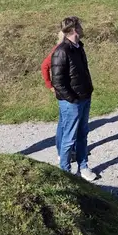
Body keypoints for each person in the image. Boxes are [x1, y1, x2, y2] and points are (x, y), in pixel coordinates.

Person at [51, 16, 97, 181]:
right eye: (81, 26)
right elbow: (58, 81)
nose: (83, 29)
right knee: (69, 138)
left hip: (84, 97)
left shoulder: (79, 47)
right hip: (72, 102)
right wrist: (72, 99)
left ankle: (83, 167)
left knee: (83, 134)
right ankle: (65, 172)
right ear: (74, 30)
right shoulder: (61, 51)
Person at [41, 30, 69, 162]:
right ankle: (61, 152)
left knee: (67, 121)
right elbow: (44, 66)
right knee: (63, 122)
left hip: (68, 89)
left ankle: (68, 150)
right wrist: (49, 85)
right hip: (62, 90)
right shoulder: (58, 50)